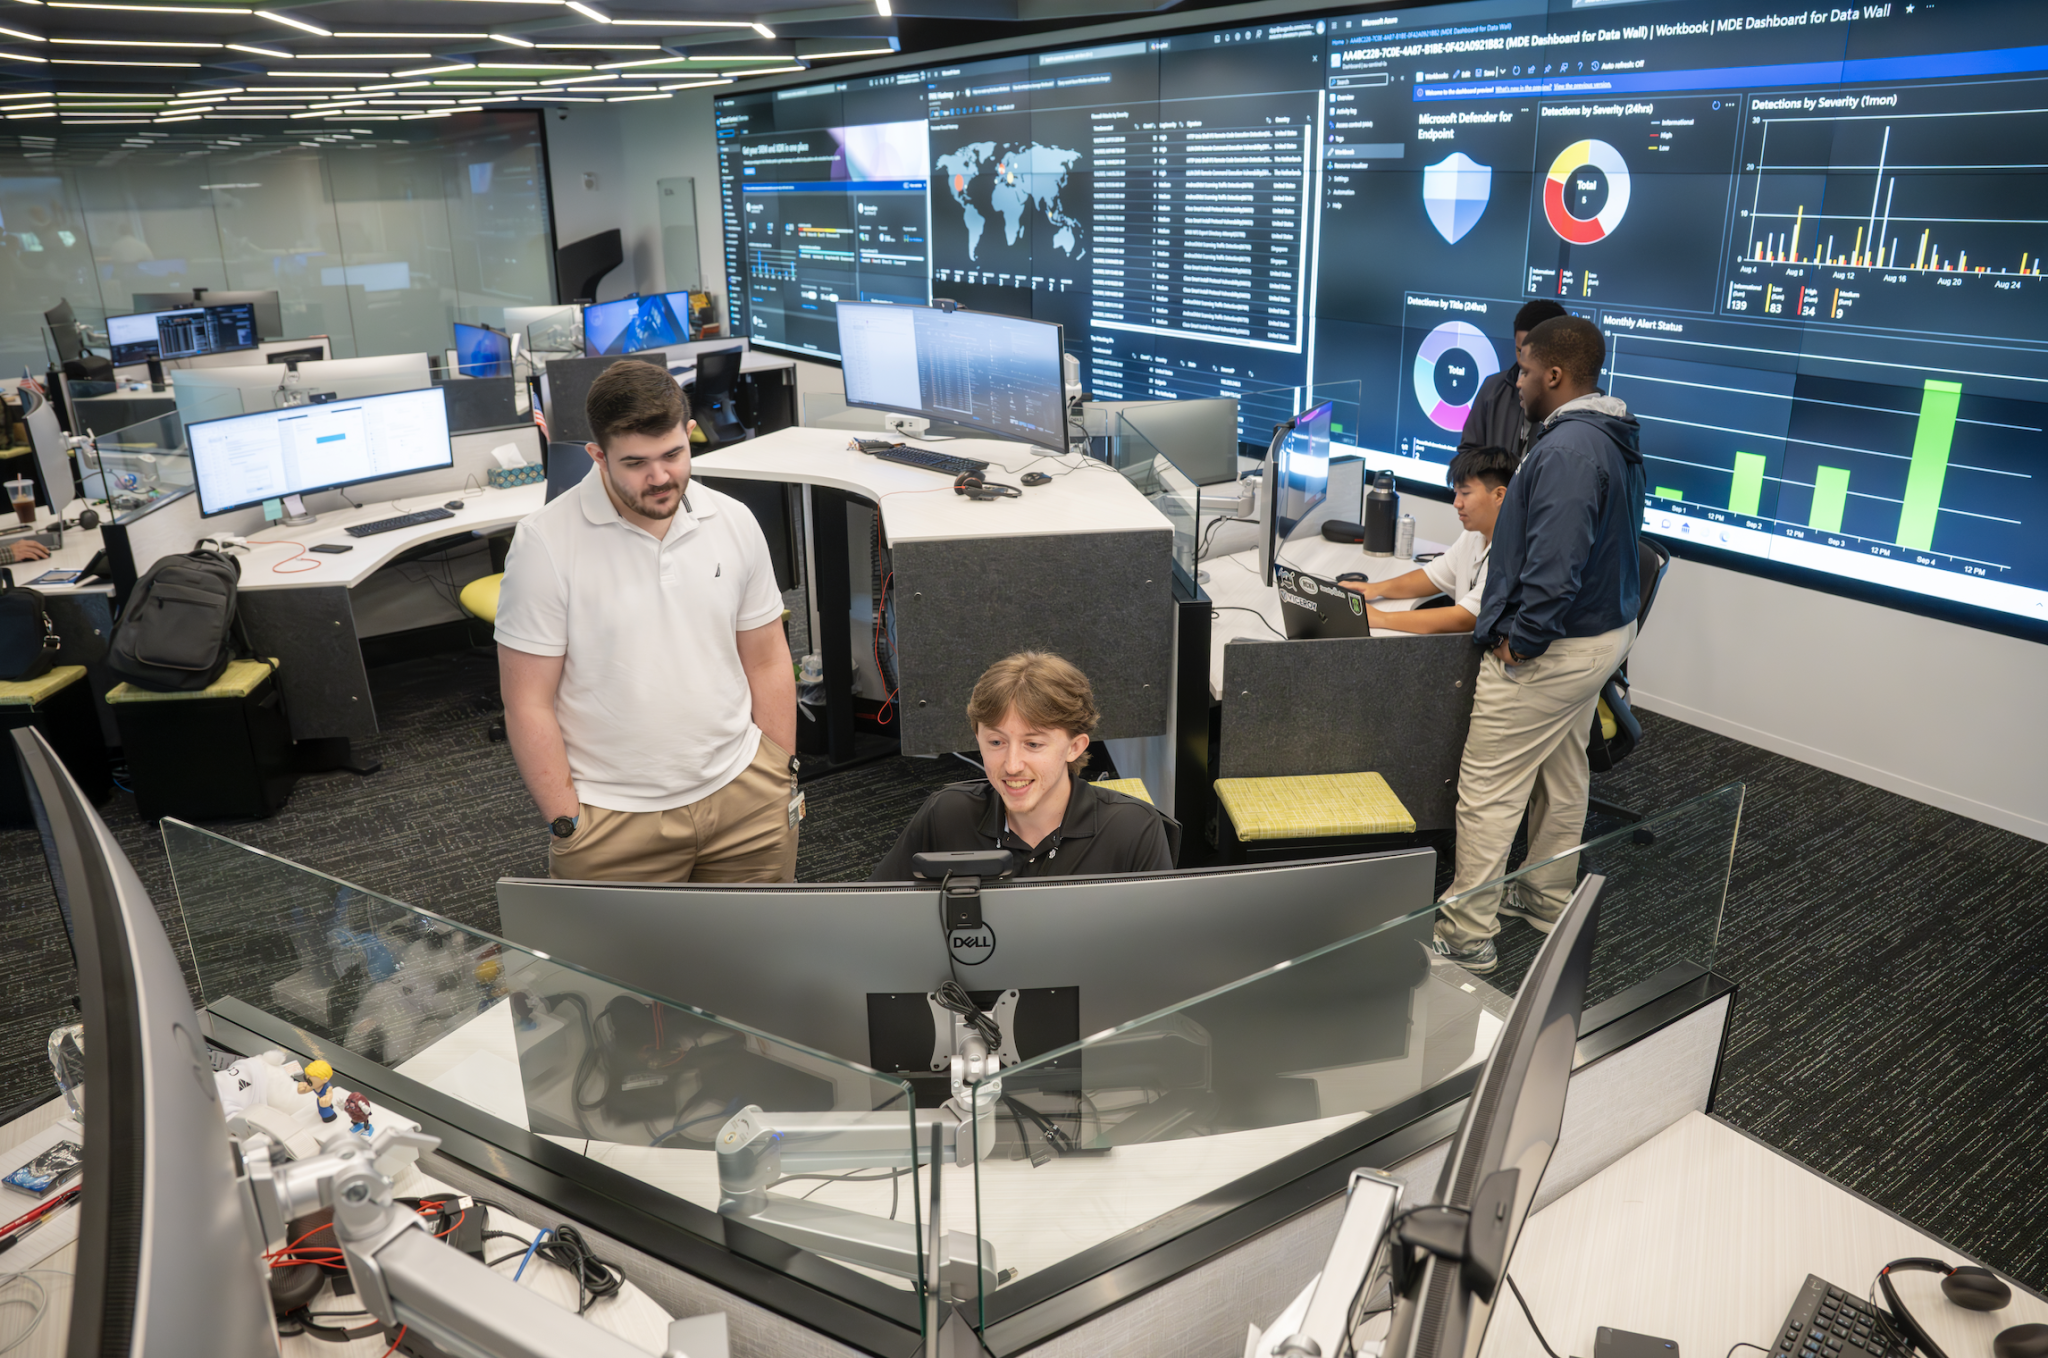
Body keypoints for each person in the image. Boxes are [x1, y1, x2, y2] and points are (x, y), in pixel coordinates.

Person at [495, 359, 799, 883]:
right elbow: (527, 702)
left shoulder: (733, 520)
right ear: (598, 456)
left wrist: (780, 770)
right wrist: (566, 822)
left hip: (747, 797)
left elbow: (768, 657)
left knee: (758, 959)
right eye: (636, 463)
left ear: (689, 434)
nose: (660, 478)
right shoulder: (545, 543)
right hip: (613, 818)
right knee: (620, 968)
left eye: (674, 454)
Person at [1433, 315, 1647, 972]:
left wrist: (1521, 644)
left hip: (1553, 648)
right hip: (1602, 635)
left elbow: (1553, 567)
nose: (1516, 382)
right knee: (1562, 771)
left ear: (1554, 375)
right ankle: (1546, 897)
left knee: (1490, 785)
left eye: (1525, 371)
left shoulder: (1566, 453)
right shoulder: (1608, 433)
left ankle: (1467, 932)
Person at [871, 652, 1174, 880]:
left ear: (1074, 747)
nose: (1012, 765)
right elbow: (876, 914)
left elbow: (1159, 953)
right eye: (996, 743)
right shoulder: (946, 814)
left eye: (1033, 744)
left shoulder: (1133, 830)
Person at [1339, 444, 1516, 634]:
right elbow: (1432, 577)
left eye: (1465, 493)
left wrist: (1379, 617)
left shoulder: (1511, 551)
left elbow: (1465, 618)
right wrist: (1376, 589)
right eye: (1456, 493)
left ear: (1499, 495)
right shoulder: (1474, 535)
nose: (1456, 503)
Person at [1459, 298, 1569, 461]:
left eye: (1533, 353)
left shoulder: (1572, 409)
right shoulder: (1492, 389)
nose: (1523, 361)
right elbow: (1467, 456)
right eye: (1519, 350)